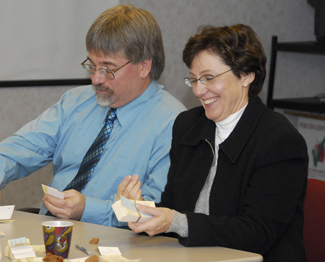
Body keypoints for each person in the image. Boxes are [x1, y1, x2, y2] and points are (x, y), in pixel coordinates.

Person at [0, 4, 186, 227]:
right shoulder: (77, 101)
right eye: (91, 65)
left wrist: (87, 209)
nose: (96, 79)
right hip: (51, 231)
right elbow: (23, 146)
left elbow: (154, 212)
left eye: (108, 69)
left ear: (144, 66)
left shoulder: (174, 123)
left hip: (117, 246)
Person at [117, 24, 308, 261]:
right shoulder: (188, 125)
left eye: (208, 78)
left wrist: (176, 221)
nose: (199, 90)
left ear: (246, 75)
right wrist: (135, 210)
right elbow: (172, 207)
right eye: (194, 79)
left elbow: (257, 233)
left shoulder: (280, 141)